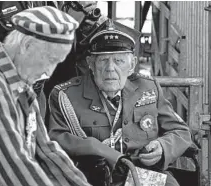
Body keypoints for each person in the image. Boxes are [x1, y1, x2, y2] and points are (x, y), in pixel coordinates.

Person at [0, 6, 91, 186]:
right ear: (26, 46)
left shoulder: (19, 80)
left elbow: (46, 150)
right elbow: (16, 166)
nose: (48, 71)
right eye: (50, 59)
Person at [48, 19, 193, 186]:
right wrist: (98, 149)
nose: (110, 68)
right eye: (103, 61)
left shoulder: (148, 88)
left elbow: (180, 131)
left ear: (132, 65)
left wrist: (163, 146)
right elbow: (56, 140)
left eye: (119, 61)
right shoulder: (65, 95)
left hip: (140, 173)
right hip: (88, 177)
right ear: (91, 64)